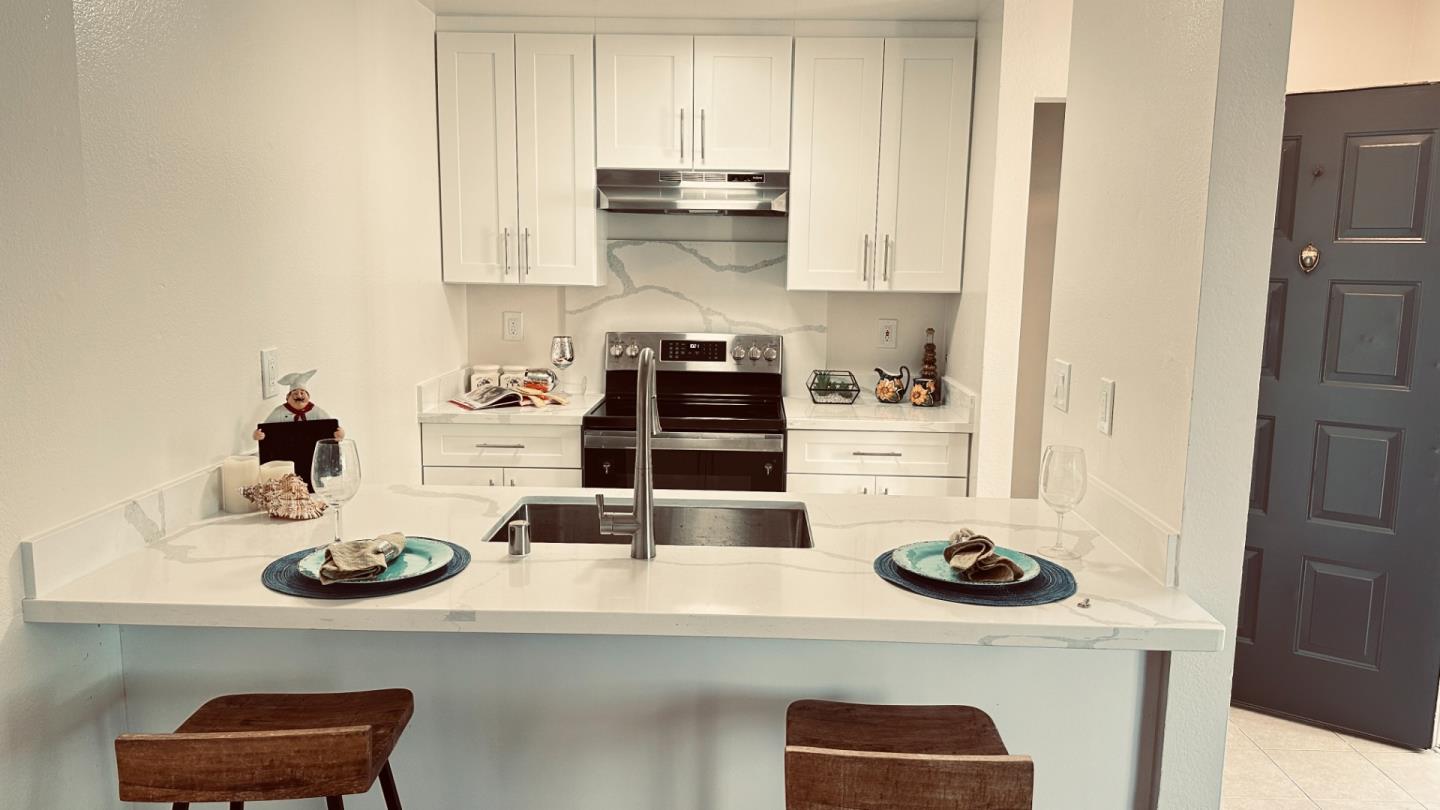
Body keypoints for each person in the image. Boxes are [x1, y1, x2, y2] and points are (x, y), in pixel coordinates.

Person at [252, 369, 345, 441]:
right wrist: (257, 435)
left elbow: (331, 428)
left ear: (308, 396)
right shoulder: (279, 412)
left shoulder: (316, 412)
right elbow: (265, 429)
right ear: (288, 397)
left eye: (302, 393)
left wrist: (339, 434)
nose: (299, 396)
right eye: (295, 393)